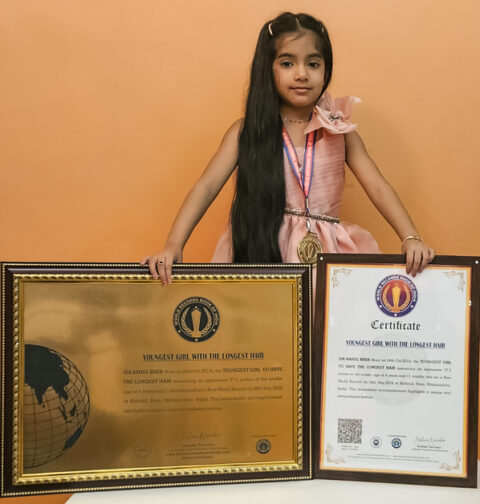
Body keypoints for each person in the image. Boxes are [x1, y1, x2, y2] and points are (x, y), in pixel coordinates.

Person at [141, 12, 435, 285]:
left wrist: (410, 237)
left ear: (326, 69)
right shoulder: (246, 131)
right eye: (287, 63)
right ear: (268, 69)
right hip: (263, 250)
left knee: (327, 331)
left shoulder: (340, 132)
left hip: (328, 254)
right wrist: (173, 245)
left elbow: (379, 187)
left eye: (313, 63)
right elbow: (205, 187)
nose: (302, 74)